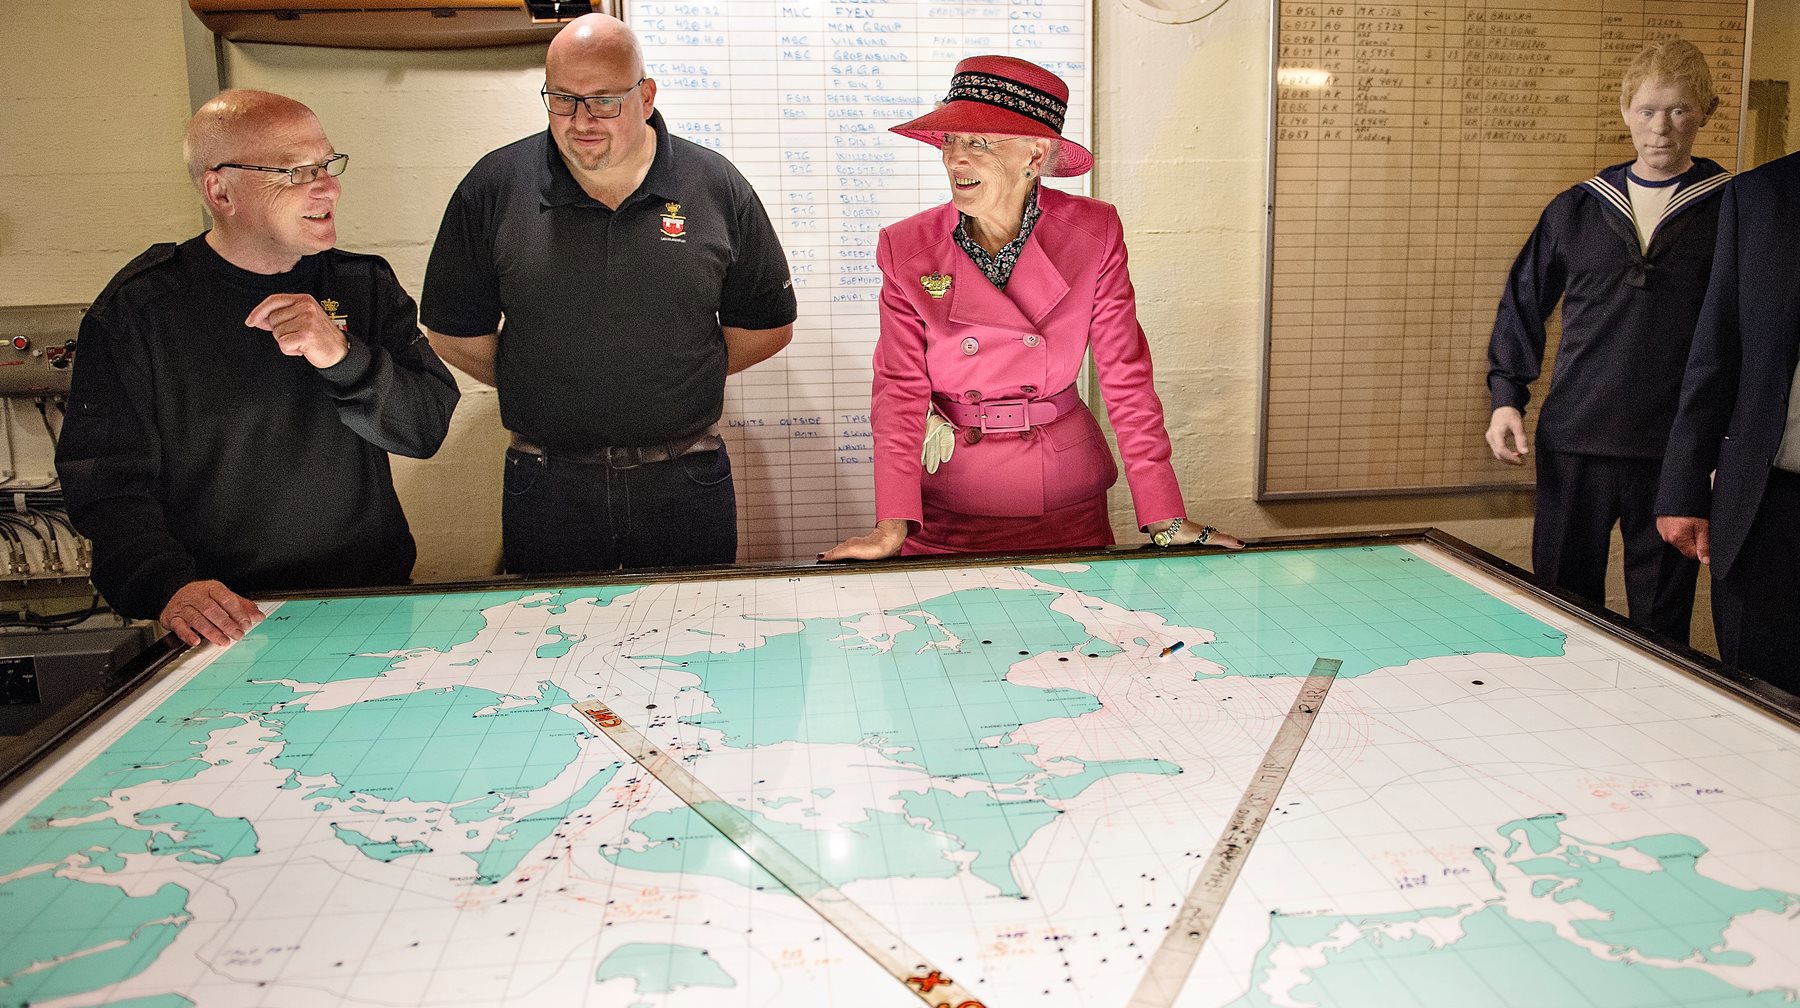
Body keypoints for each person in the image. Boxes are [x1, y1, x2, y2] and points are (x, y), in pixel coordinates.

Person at [56, 90, 459, 648]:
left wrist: (345, 358)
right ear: (220, 190)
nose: (327, 186)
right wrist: (170, 586)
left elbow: (425, 429)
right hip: (224, 619)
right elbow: (106, 487)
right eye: (293, 171)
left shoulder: (360, 286)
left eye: (326, 165)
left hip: (370, 602)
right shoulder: (141, 310)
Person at [821, 56, 1243, 561]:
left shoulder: (1094, 233)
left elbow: (1125, 378)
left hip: (1064, 499)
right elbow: (898, 390)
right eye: (950, 140)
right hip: (949, 501)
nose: (956, 158)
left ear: (1036, 154)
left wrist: (1165, 517)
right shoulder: (905, 247)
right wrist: (891, 523)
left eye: (979, 142)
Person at [421, 13, 795, 576]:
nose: (581, 121)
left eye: (604, 101)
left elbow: (766, 326)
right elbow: (453, 330)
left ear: (645, 96)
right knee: (549, 650)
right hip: (548, 484)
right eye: (563, 100)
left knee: (704, 646)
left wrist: (673, 373)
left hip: (685, 480)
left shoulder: (715, 185)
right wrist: (540, 377)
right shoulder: (495, 186)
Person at [1483, 39, 1729, 644]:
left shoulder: (1733, 210)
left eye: (1678, 110)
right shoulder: (1576, 209)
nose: (1661, 128)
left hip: (1674, 452)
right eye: (1647, 110)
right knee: (1562, 607)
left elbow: (1749, 337)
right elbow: (1522, 303)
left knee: (1662, 621)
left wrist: (1729, 445)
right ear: (1625, 112)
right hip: (1575, 441)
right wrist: (1506, 396)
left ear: (1705, 112)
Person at [1655, 148, 1800, 694]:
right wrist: (1683, 487)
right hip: (1764, 506)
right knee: (1760, 701)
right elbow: (1717, 348)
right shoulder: (1761, 194)